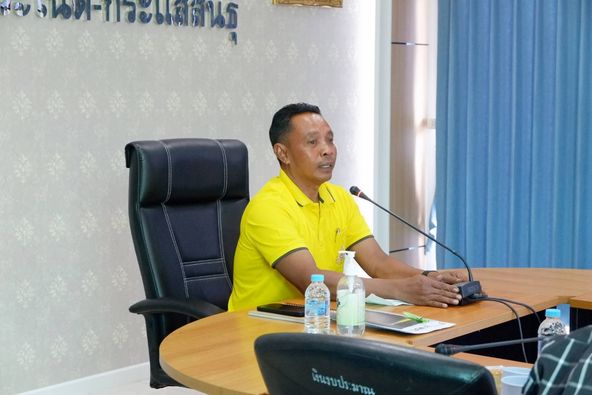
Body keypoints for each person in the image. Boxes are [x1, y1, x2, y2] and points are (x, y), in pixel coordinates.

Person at [228, 103, 467, 311]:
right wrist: (400, 290)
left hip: (316, 322)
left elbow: (378, 263)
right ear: (283, 153)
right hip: (258, 327)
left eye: (330, 140)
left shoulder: (339, 197)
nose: (327, 150)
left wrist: (429, 279)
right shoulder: (268, 207)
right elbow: (311, 281)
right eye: (312, 142)